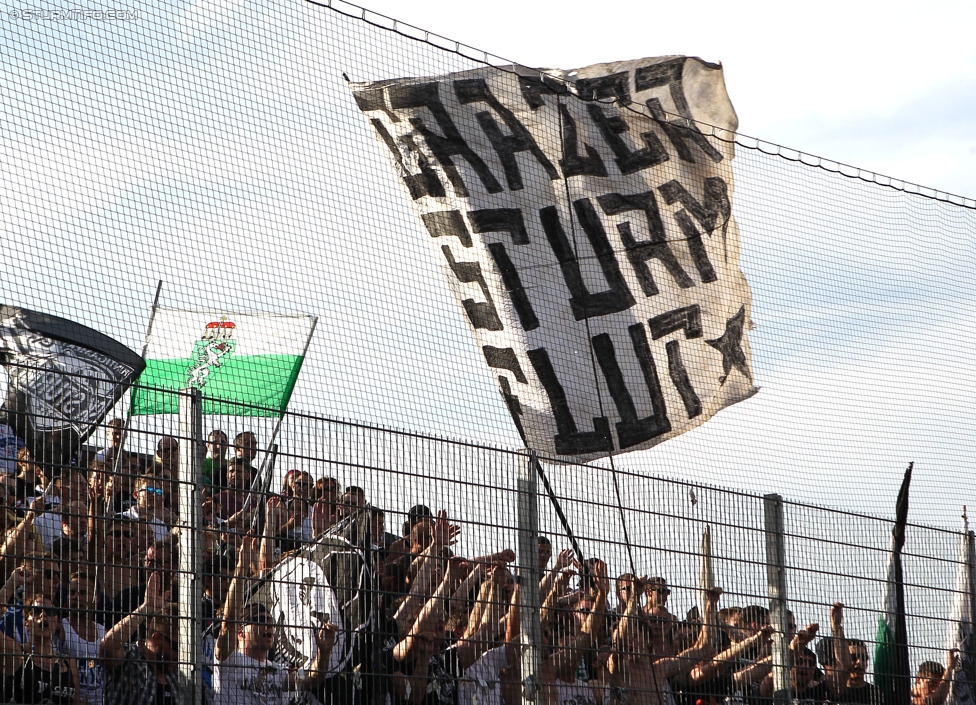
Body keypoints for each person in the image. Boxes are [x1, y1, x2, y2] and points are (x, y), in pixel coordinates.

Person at [214, 535, 338, 704]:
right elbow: (228, 622)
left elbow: (312, 679)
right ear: (241, 631)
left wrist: (324, 652)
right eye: (261, 621)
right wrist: (242, 567)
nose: (269, 627)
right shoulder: (230, 660)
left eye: (270, 623)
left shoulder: (277, 672)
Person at [100, 571, 182, 704]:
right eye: (176, 647)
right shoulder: (132, 659)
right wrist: (146, 608)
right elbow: (107, 647)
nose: (179, 654)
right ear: (156, 639)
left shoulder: (178, 674)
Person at [0, 595, 79, 704]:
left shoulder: (69, 663)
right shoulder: (17, 653)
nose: (43, 614)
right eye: (36, 611)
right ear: (26, 623)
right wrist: (14, 580)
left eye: (50, 611)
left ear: (57, 624)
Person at [61, 570, 107, 705]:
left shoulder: (103, 631)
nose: (75, 597)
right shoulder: (61, 628)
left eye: (83, 593)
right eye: (72, 592)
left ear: (96, 598)